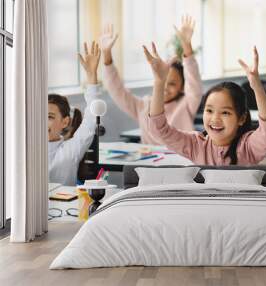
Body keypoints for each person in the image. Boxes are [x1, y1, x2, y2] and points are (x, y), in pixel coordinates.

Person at [144, 42, 266, 165]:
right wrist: (159, 82)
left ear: (241, 118)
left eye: (225, 112)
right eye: (209, 111)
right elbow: (159, 130)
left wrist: (257, 86)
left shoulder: (248, 147)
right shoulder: (195, 145)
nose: (215, 119)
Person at [101, 15, 202, 145]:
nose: (165, 87)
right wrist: (106, 56)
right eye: (163, 80)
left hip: (180, 159)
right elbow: (117, 91)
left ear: (182, 87)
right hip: (149, 161)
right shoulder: (143, 105)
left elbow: (194, 85)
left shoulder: (186, 104)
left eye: (171, 83)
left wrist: (187, 47)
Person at [48, 41, 101, 186]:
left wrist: (92, 76)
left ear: (65, 122)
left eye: (49, 117)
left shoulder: (70, 150)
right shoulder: (25, 149)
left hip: (66, 208)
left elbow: (91, 118)